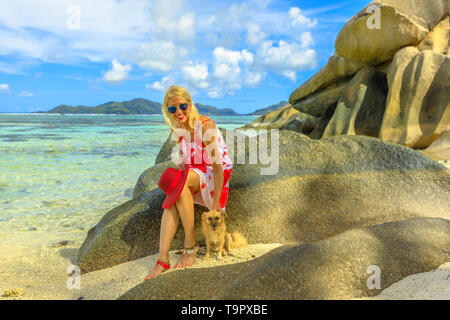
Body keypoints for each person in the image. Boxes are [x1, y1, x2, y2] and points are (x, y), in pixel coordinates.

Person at [144, 85, 233, 280]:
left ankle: (189, 243)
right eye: (172, 109)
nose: (178, 112)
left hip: (214, 173)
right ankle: (162, 258)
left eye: (182, 106)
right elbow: (187, 160)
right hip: (194, 173)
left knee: (179, 185)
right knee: (172, 197)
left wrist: (217, 203)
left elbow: (217, 168)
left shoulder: (206, 126)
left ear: (190, 104)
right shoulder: (178, 128)